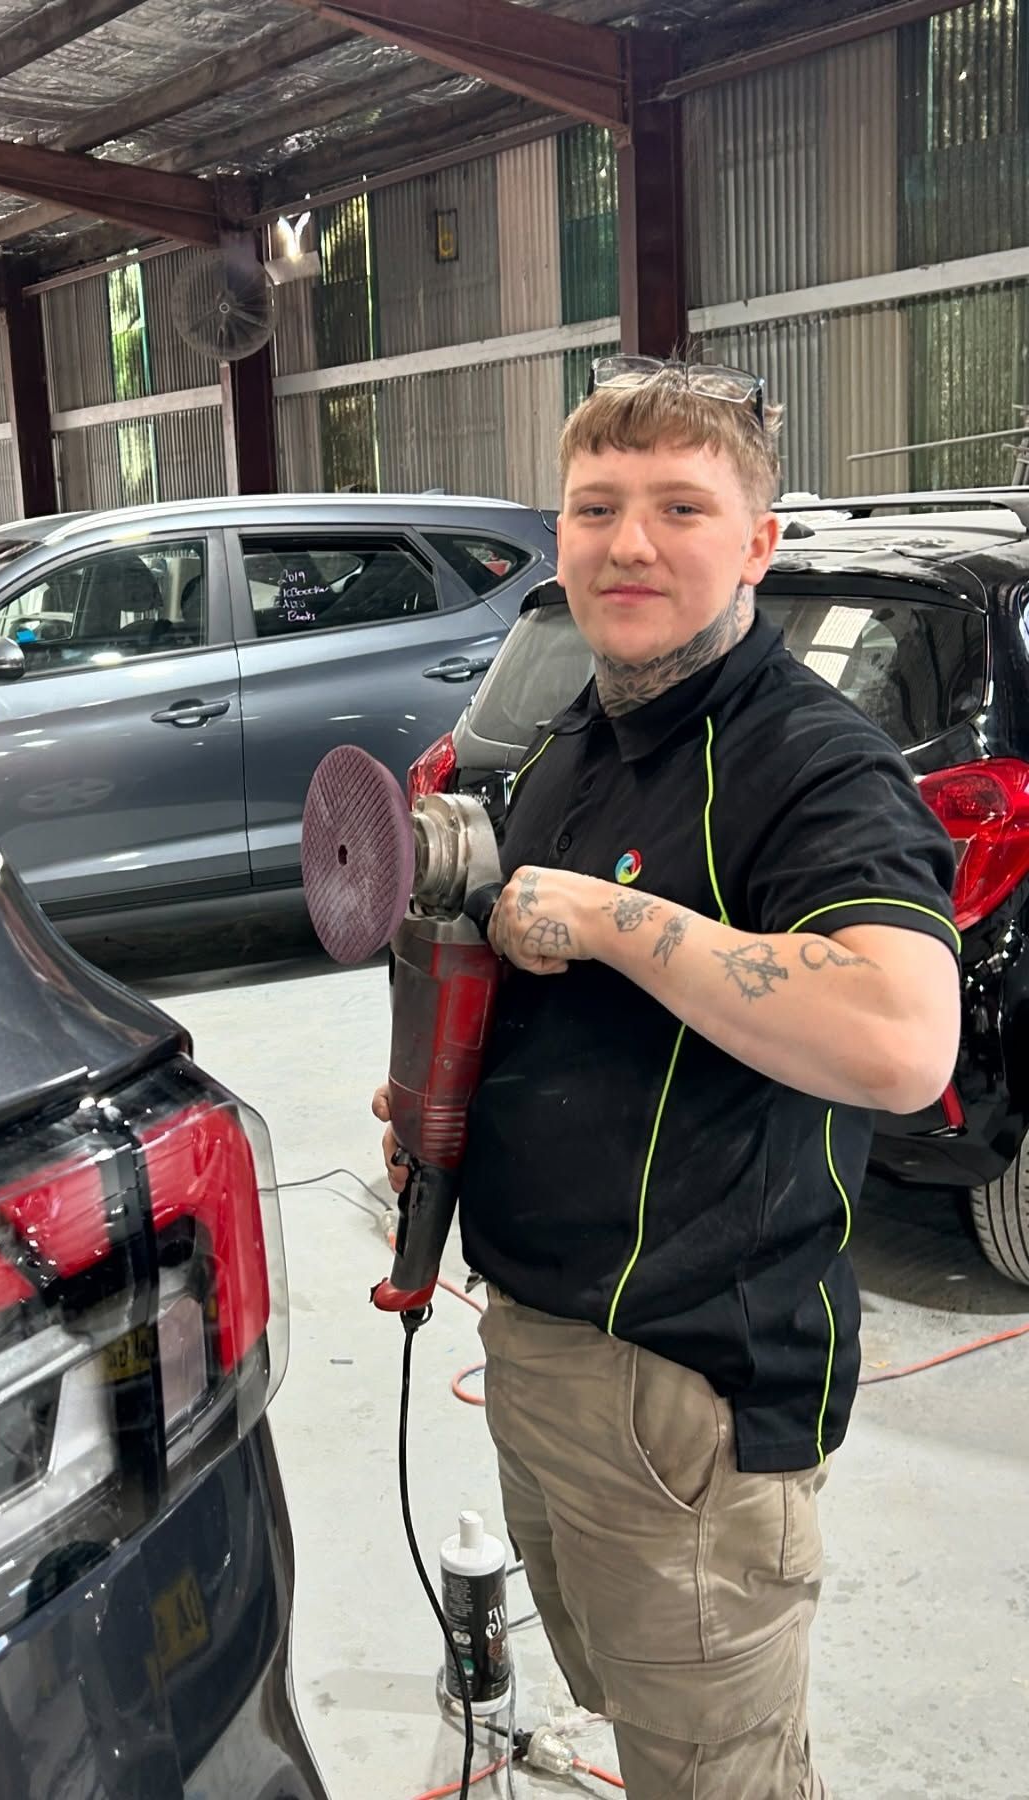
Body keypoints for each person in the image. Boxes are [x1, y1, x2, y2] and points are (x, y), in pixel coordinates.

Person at [373, 356, 961, 1799]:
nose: (629, 542)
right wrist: (456, 1114)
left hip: (687, 1392)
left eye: (681, 507)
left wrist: (619, 918)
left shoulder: (814, 765)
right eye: (596, 507)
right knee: (648, 1729)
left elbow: (901, 1038)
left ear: (758, 543)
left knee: (722, 1775)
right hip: (544, 1351)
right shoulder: (577, 741)